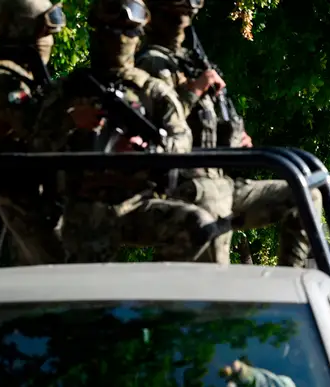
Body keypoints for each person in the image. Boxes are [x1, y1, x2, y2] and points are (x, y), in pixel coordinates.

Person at [31, 0, 223, 262]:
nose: (121, 39)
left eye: (129, 31)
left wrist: (151, 150)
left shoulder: (153, 90)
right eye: (111, 30)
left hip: (137, 203)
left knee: (198, 224)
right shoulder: (68, 89)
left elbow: (181, 138)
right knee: (86, 285)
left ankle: (152, 295)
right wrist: (71, 121)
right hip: (83, 207)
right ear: (96, 31)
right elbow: (34, 146)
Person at [135, 0, 318, 267]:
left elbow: (206, 125)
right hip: (182, 185)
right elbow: (157, 128)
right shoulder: (151, 63)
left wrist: (237, 141)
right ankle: (215, 299)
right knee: (212, 206)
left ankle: (290, 280)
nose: (183, 20)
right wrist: (195, 89)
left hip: (219, 180)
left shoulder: (190, 62)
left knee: (305, 194)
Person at [0, 0, 67, 266]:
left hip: (36, 197)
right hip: (24, 202)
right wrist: (74, 117)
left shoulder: (17, 77)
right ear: (27, 32)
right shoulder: (3, 82)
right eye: (45, 35)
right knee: (68, 274)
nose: (49, 42)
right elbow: (42, 134)